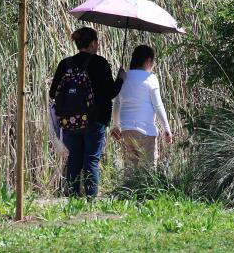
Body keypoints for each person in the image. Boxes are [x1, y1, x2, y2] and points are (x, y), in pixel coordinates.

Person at [48, 26, 123, 198]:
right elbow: (111, 93)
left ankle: (73, 199)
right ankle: (90, 199)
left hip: (70, 121)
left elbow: (53, 93)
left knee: (74, 159)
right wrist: (121, 78)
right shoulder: (100, 63)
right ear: (93, 43)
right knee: (91, 159)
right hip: (95, 120)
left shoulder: (65, 64)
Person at [111, 44, 173, 170]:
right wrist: (166, 128)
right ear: (149, 61)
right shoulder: (151, 78)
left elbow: (117, 104)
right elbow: (158, 105)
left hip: (126, 130)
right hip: (145, 131)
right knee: (147, 170)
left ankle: (129, 189)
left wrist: (116, 126)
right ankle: (145, 190)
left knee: (130, 169)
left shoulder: (123, 77)